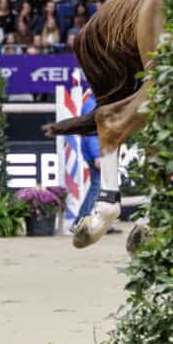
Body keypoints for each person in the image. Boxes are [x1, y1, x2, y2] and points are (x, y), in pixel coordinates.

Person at [71, 95, 104, 245]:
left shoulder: (92, 102)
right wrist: (97, 155)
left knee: (100, 187)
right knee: (97, 187)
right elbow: (90, 133)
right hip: (95, 152)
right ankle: (81, 220)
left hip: (98, 151)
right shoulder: (91, 104)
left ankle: (97, 221)